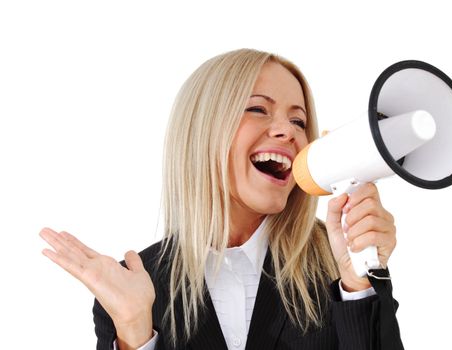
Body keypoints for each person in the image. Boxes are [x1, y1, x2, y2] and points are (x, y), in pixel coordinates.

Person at [40, 48, 403, 350]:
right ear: (203, 130)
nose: (288, 132)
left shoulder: (339, 265)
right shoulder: (134, 285)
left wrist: (359, 288)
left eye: (298, 121)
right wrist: (136, 330)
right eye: (258, 109)